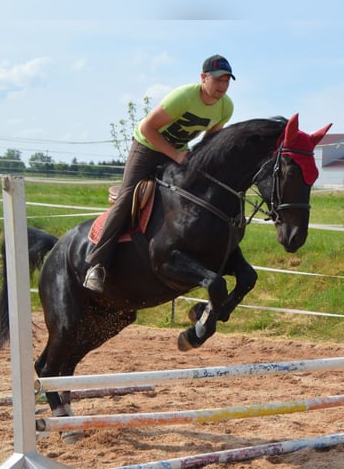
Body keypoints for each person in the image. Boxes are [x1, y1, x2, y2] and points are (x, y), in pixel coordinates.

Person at [84, 54, 236, 292]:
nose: (222, 86)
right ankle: (97, 264)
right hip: (147, 146)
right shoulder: (184, 96)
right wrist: (176, 156)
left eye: (227, 81)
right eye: (217, 80)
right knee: (127, 198)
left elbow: (211, 138)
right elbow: (148, 127)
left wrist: (198, 160)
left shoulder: (226, 107)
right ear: (203, 78)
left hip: (178, 152)